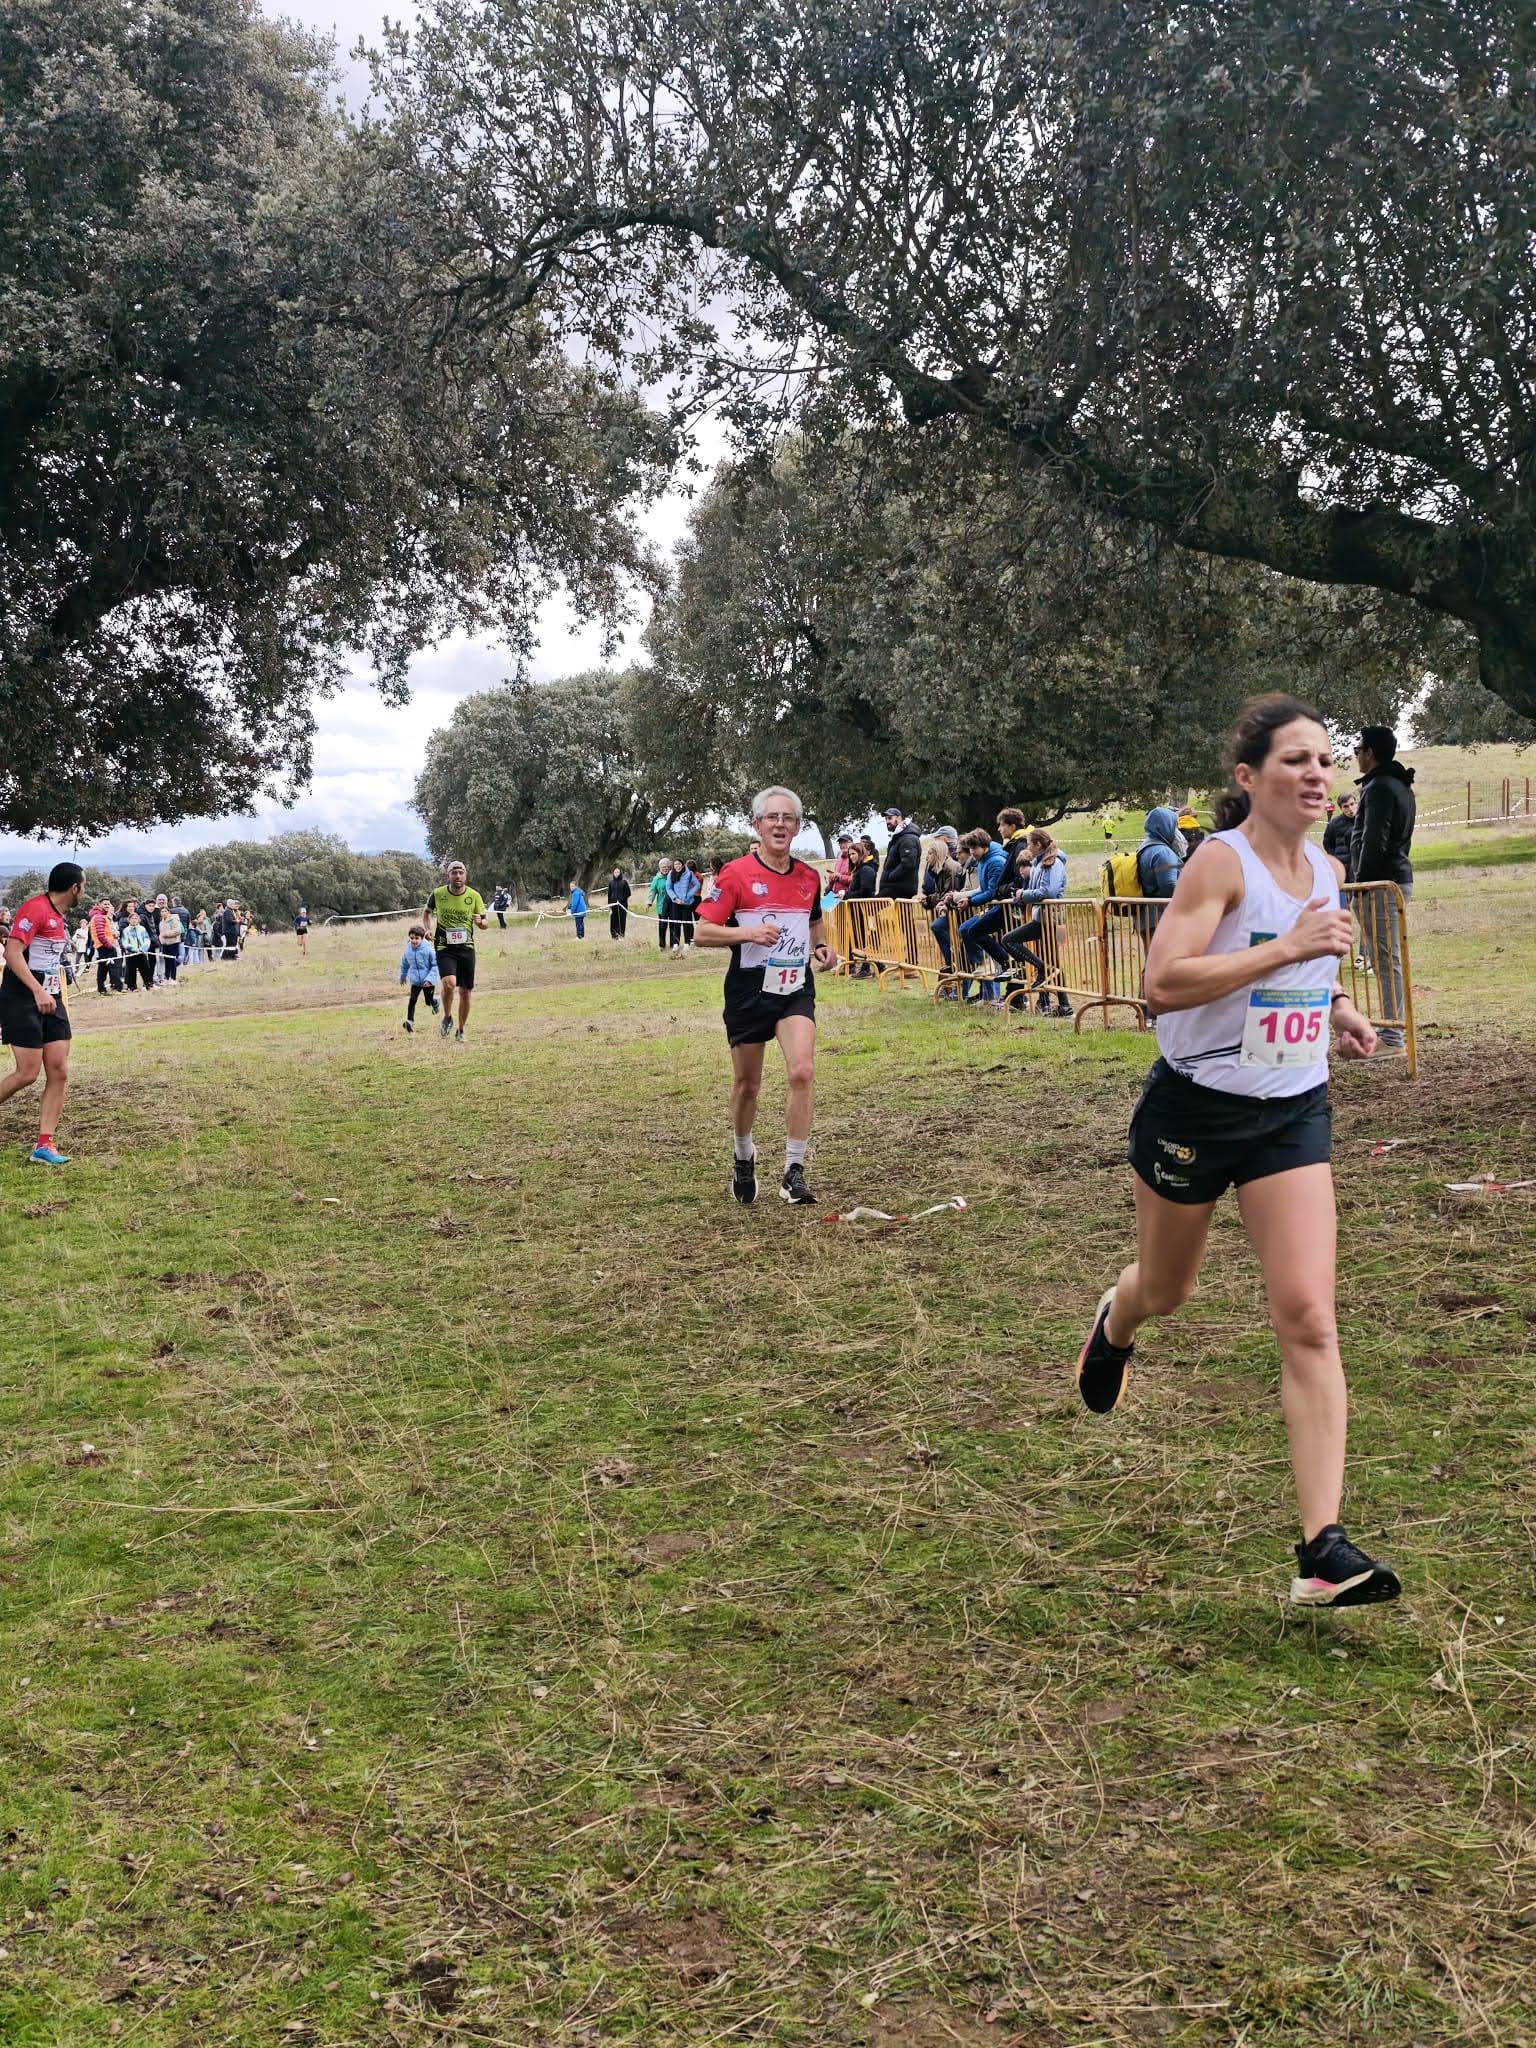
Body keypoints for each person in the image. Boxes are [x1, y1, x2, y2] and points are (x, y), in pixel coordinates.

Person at [1075, 693, 1398, 1608]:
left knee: (1308, 1316)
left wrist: (1335, 1008)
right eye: (1296, 760)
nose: (1317, 775)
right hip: (1196, 1110)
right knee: (1167, 1288)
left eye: (1327, 761)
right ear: (1249, 777)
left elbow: (1306, 964)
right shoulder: (1220, 864)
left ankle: (1321, 1552)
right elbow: (1162, 986)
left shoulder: (1329, 872)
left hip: (1291, 1112)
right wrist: (1285, 947)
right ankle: (1118, 1321)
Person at [695, 785, 839, 1207]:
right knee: (748, 1085)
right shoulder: (735, 874)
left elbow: (814, 924)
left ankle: (794, 1171)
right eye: (772, 817)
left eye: (788, 818)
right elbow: (702, 932)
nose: (780, 824)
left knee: (802, 1071)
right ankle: (743, 1155)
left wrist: (821, 949)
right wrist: (748, 932)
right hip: (748, 989)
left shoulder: (809, 876)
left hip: (794, 987)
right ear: (757, 825)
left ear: (797, 826)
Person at [0, 860, 85, 1165]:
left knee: (59, 1070)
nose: (83, 893)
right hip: (23, 996)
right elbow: (12, 953)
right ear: (74, 887)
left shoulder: (60, 916)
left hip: (51, 997)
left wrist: (48, 991)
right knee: (27, 1073)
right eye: (83, 887)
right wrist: (37, 989)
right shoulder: (34, 908)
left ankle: (44, 1145)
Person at [1351, 727, 1416, 1051]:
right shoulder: (1399, 785)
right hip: (1396, 879)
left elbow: (1372, 841)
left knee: (1385, 960)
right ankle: (1393, 1031)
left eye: (1357, 750)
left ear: (1370, 752)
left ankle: (1392, 1036)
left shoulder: (1378, 787)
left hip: (1380, 884)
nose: (1356, 756)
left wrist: (1361, 883)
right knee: (1387, 958)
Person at [995, 828, 1072, 1015]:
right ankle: (1063, 1002)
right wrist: (1023, 895)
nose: (1028, 847)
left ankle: (1045, 973)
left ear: (1038, 844)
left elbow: (1049, 892)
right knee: (1051, 960)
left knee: (1009, 940)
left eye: (1030, 843)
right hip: (1042, 917)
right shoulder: (1040, 862)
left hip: (1050, 918)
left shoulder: (1053, 863)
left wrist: (1024, 894)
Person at [932, 827, 1008, 1000]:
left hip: (998, 909)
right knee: (967, 930)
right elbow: (980, 889)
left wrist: (969, 901)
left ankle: (998, 965)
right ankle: (984, 969)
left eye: (974, 849)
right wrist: (958, 897)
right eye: (970, 849)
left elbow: (990, 891)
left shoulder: (994, 861)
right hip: (985, 906)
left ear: (983, 845)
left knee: (972, 930)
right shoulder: (981, 861)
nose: (972, 852)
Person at [422, 859, 488, 1042]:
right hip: (444, 947)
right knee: (449, 983)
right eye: (454, 872)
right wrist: (427, 929)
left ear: (465, 875)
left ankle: (461, 1030)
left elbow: (485, 923)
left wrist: (480, 922)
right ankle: (447, 1017)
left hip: (467, 948)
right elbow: (426, 912)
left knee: (466, 991)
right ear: (448, 875)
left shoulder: (474, 896)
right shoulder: (437, 894)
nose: (457, 876)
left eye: (461, 872)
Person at [398, 924, 441, 1031]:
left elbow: (435, 965)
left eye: (417, 938)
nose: (414, 941)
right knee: (412, 1000)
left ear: (422, 938)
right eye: (412, 938)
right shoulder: (408, 950)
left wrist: (429, 979)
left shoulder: (428, 950)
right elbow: (404, 964)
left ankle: (435, 1002)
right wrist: (403, 977)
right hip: (416, 981)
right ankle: (410, 1021)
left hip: (428, 981)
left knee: (428, 1002)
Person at [878, 806, 922, 897]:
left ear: (898, 818)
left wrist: (891, 876)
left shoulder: (908, 838)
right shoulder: (898, 837)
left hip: (899, 888)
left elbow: (908, 863)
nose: (887, 822)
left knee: (870, 908)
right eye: (886, 819)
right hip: (894, 887)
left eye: (890, 818)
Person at [664, 858, 699, 949]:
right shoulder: (670, 874)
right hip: (675, 903)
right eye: (675, 864)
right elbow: (668, 888)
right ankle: (676, 943)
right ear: (673, 866)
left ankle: (687, 943)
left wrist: (688, 895)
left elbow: (697, 885)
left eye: (679, 864)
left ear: (682, 865)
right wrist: (675, 898)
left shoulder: (689, 874)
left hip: (687, 903)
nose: (677, 866)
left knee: (686, 923)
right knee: (676, 923)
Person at [91, 898, 123, 993]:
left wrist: (112, 935)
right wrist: (110, 946)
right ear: (99, 905)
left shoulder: (101, 916)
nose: (107, 906)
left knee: (103, 968)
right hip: (105, 946)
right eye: (105, 904)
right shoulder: (99, 917)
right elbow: (101, 935)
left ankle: (101, 988)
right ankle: (118, 987)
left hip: (102, 946)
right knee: (113, 967)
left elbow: (104, 932)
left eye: (109, 904)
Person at [121, 908, 154, 992]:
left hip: (141, 952)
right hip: (131, 953)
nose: (134, 920)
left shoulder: (142, 929)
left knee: (145, 968)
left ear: (138, 920)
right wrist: (134, 949)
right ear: (129, 920)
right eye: (132, 918)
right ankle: (132, 986)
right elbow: (124, 942)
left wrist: (143, 948)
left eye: (136, 918)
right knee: (130, 970)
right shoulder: (126, 930)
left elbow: (147, 939)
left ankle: (149, 984)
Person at [1322, 792, 1357, 872]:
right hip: (1342, 868)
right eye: (1346, 806)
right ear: (1341, 808)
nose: (1350, 809)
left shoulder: (1365, 821)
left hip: (1360, 866)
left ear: (1356, 803)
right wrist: (1337, 859)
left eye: (1352, 804)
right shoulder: (1333, 824)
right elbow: (1327, 843)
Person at [647, 859, 671, 949]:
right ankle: (662, 945)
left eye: (666, 867)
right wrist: (649, 902)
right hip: (661, 906)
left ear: (669, 867)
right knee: (662, 926)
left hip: (673, 905)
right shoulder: (657, 878)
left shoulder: (672, 876)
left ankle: (673, 944)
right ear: (660, 868)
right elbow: (652, 891)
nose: (665, 869)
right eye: (663, 867)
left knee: (673, 925)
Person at [157, 899, 183, 983]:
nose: (164, 913)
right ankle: (166, 977)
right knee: (166, 961)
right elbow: (160, 933)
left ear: (168, 912)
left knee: (172, 960)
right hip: (165, 944)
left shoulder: (173, 920)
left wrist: (166, 934)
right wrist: (161, 939)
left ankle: (173, 978)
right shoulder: (161, 922)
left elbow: (178, 930)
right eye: (162, 911)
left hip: (173, 943)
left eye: (165, 911)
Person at [830, 833, 855, 897]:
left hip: (846, 897)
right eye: (840, 843)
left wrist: (840, 877)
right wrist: (832, 878)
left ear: (852, 843)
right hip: (834, 895)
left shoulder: (855, 859)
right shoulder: (839, 859)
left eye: (845, 842)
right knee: (821, 906)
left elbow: (855, 880)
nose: (842, 845)